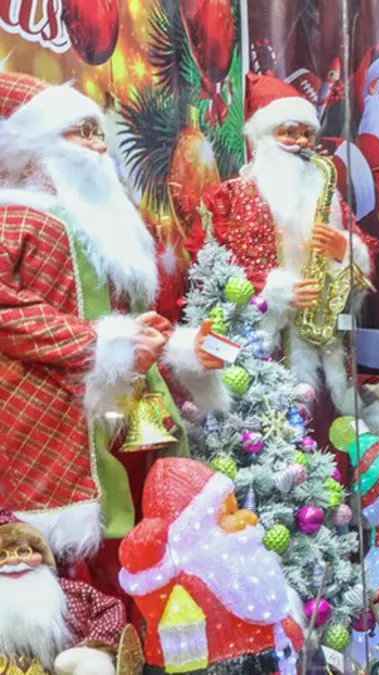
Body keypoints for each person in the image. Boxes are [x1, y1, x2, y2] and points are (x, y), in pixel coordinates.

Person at [0, 73, 226, 572]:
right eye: (81, 132)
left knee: (151, 536)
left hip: (133, 416)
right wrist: (104, 344)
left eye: (98, 131)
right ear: (37, 143)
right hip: (47, 413)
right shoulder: (15, 219)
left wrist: (181, 348)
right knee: (67, 562)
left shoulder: (111, 225)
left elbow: (135, 318)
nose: (98, 146)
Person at [187, 73, 379, 441]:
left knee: (325, 440)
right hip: (261, 353)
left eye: (308, 134)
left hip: (326, 351)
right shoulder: (230, 197)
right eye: (290, 132)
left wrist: (346, 251)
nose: (301, 143)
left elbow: (375, 265)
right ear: (263, 137)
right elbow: (208, 275)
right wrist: (271, 292)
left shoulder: (330, 197)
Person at [118, 458, 304, 675]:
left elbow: (270, 618)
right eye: (229, 514)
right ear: (192, 530)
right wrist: (145, 546)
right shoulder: (174, 577)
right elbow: (138, 562)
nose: (250, 518)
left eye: (238, 509)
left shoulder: (243, 576)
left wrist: (287, 632)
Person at [0, 509, 127, 675]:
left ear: (42, 554)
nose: (14, 560)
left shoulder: (67, 592)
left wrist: (94, 650)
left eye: (23, 551)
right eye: (2, 555)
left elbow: (109, 608)